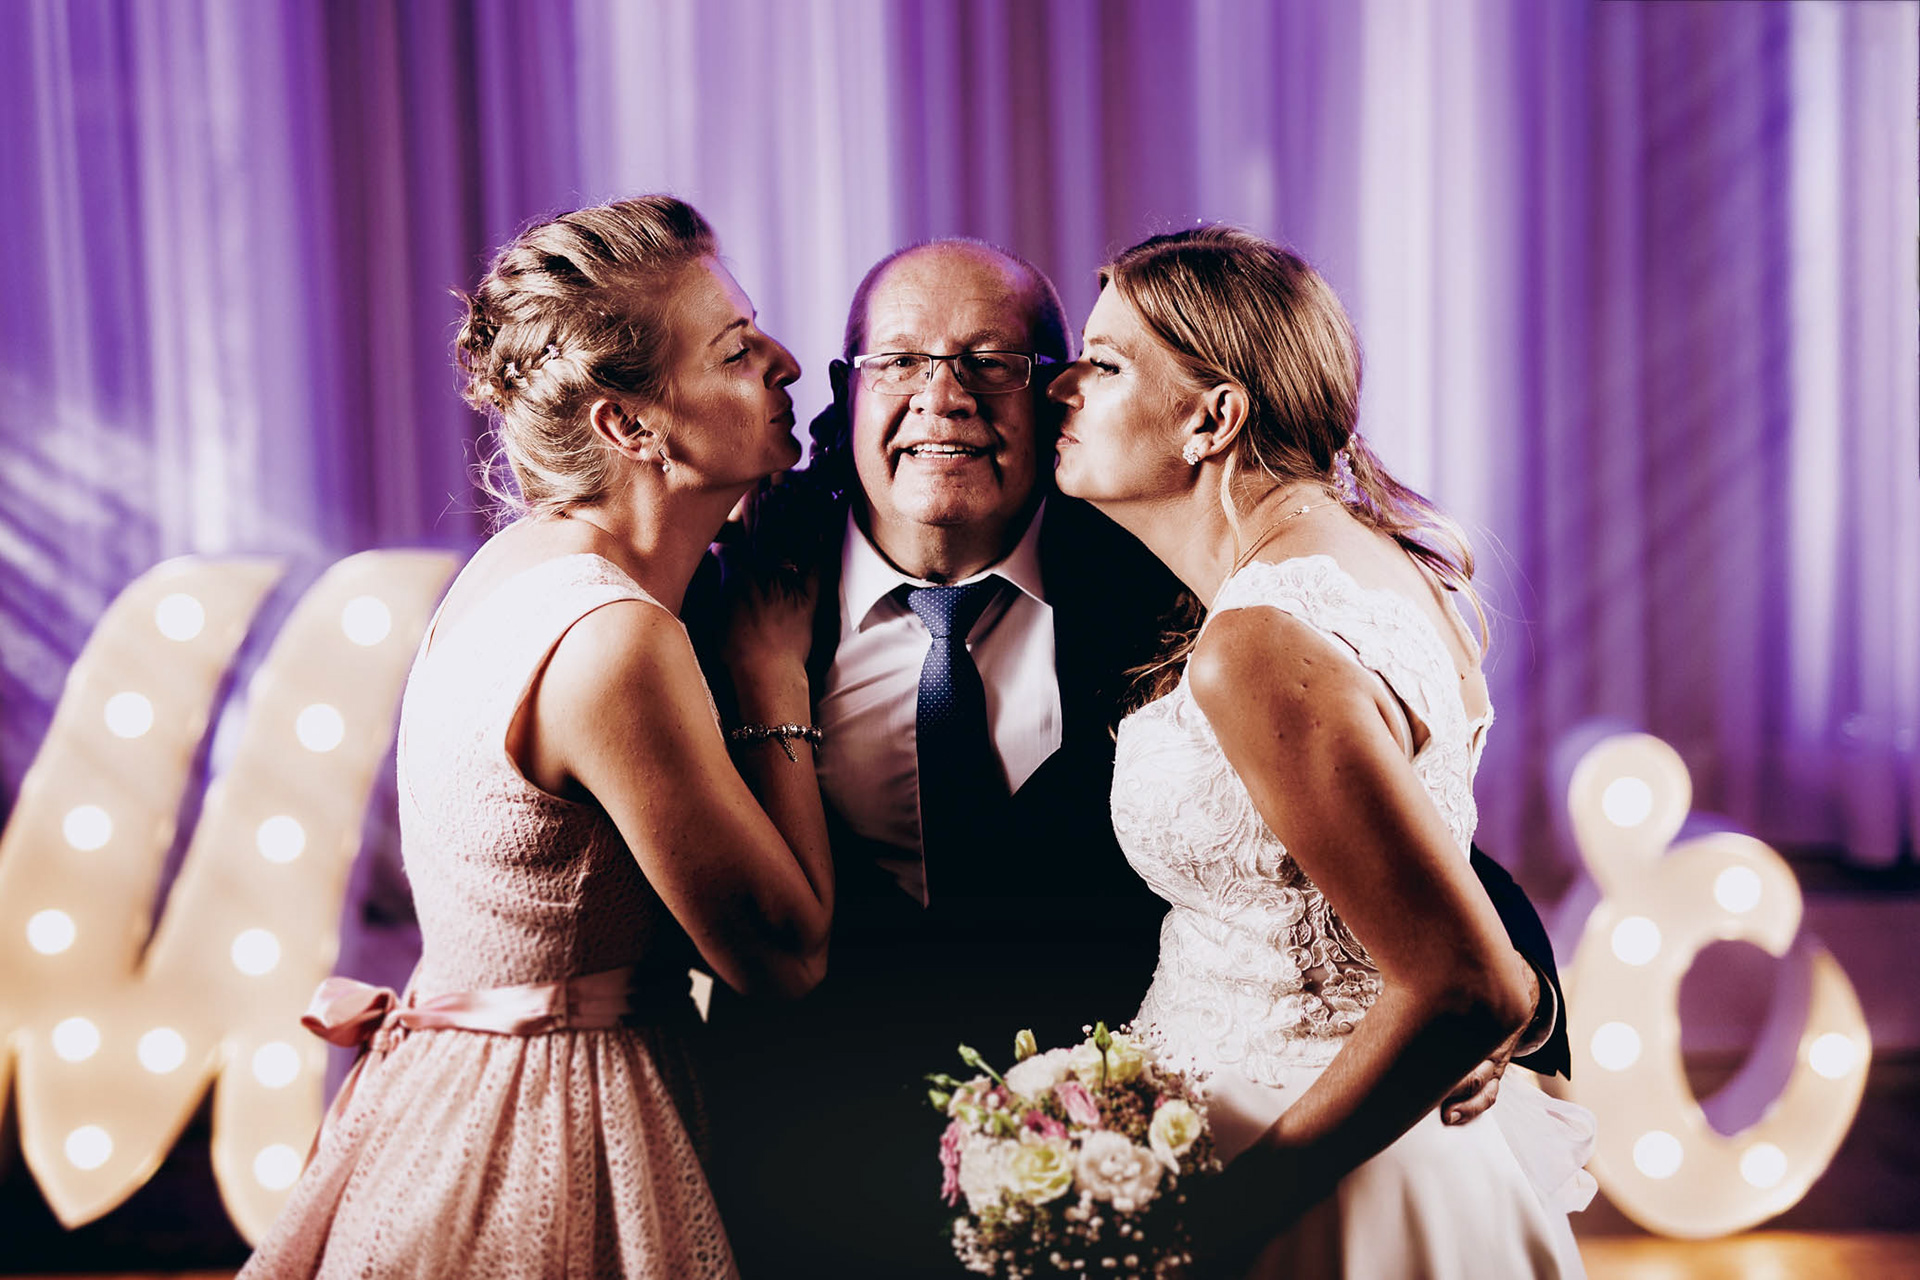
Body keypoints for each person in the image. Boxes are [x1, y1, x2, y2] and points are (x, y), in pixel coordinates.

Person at [704, 238, 1572, 1278]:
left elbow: (1396, 838)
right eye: (900, 360)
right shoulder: (735, 599)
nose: (944, 396)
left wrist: (1514, 1005)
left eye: (993, 363)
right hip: (813, 1171)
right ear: (847, 392)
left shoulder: (1175, 579)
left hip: (1135, 1175)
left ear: (1048, 393)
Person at [240, 196, 832, 1279]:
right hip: (554, 1130)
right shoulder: (614, 642)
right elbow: (784, 958)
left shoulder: (516, 568)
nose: (787, 363)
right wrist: (770, 673)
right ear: (629, 425)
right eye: (738, 349)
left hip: (449, 1094)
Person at [1048, 225, 1593, 1277]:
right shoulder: (1383, 569)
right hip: (1377, 1135)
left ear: (1214, 417)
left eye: (1105, 363)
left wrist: (1233, 1215)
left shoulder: (1256, 642)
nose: (1061, 387)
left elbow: (1470, 980)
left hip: (1311, 1163)